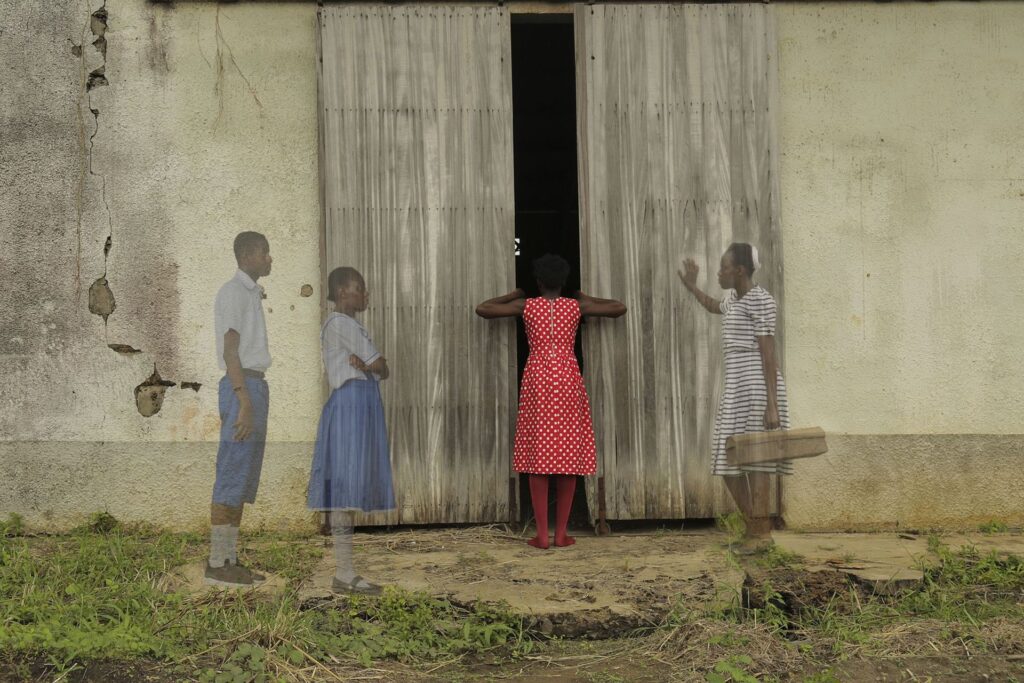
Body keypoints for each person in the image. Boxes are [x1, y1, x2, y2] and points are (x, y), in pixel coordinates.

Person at [476, 254, 626, 549]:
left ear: (539, 281)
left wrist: (515, 293)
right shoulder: (576, 306)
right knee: (569, 453)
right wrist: (584, 295)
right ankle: (562, 535)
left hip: (537, 380)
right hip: (569, 378)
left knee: (538, 452)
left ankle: (542, 535)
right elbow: (619, 308)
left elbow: (483, 309)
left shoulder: (526, 305)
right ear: (564, 282)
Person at [678, 243, 791, 547]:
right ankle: (755, 528)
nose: (718, 272)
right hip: (737, 385)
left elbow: (768, 354)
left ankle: (760, 534)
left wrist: (772, 405)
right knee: (728, 460)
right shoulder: (733, 298)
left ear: (740, 271)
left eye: (723, 267)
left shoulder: (762, 300)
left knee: (757, 461)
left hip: (757, 386)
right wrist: (692, 287)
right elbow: (715, 306)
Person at [307, 266, 395, 595]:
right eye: (359, 288)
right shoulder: (341, 324)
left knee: (349, 483)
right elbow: (380, 364)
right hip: (350, 404)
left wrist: (373, 364)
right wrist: (371, 363)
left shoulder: (352, 325)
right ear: (343, 292)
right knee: (343, 484)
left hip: (360, 402)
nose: (365, 294)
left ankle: (346, 570)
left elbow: (382, 369)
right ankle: (344, 572)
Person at [206, 232, 273, 587]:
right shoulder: (232, 292)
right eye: (265, 252)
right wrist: (244, 400)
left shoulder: (250, 293)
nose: (269, 258)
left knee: (244, 477)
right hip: (242, 388)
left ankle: (229, 558)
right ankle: (217, 564)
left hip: (253, 386)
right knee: (232, 472)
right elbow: (230, 350)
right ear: (248, 255)